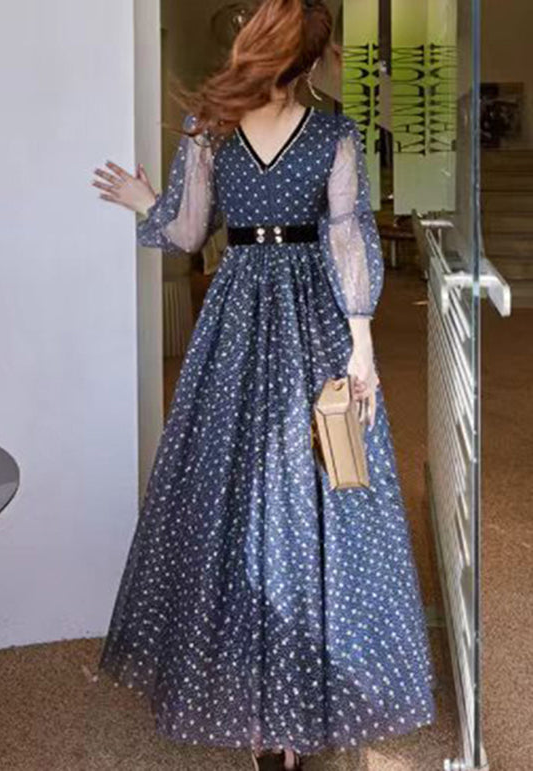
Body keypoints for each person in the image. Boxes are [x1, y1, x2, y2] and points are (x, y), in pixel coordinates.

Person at [91, 0, 436, 768]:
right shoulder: (335, 132)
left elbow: (188, 231)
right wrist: (362, 347)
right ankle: (289, 718)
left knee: (232, 492)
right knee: (316, 493)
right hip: (314, 317)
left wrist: (143, 202)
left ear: (253, 44)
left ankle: (252, 709)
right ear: (312, 61)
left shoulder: (208, 127)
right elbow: (346, 239)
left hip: (237, 316)